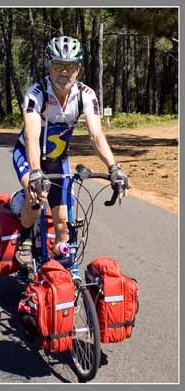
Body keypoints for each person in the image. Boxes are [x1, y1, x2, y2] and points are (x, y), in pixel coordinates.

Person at [12, 35, 130, 268]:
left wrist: (114, 168)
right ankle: (25, 238)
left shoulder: (86, 95)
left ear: (79, 69)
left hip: (58, 161)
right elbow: (32, 135)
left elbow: (96, 135)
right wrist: (35, 172)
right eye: (58, 65)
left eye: (70, 66)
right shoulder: (37, 93)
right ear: (48, 66)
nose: (64, 72)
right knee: (36, 198)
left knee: (63, 223)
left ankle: (61, 274)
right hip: (28, 157)